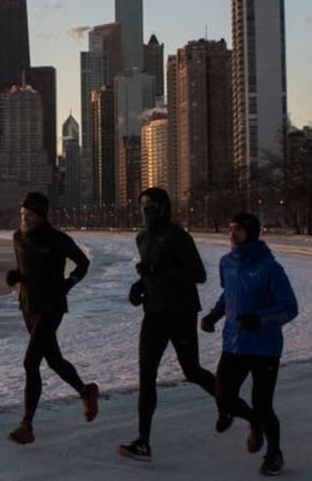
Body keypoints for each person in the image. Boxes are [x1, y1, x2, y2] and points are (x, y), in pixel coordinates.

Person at [117, 187, 246, 462]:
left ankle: (240, 410)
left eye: (152, 204)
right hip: (153, 314)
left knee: (193, 371)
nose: (146, 209)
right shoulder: (142, 237)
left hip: (180, 312)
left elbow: (198, 274)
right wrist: (138, 286)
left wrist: (158, 272)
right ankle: (143, 442)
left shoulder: (177, 236)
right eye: (143, 205)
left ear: (164, 207)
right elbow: (150, 273)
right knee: (146, 377)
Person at [200, 213, 298, 477]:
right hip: (233, 344)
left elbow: (290, 308)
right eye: (230, 229)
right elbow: (228, 294)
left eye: (239, 230)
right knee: (223, 396)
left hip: (264, 347)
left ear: (252, 233)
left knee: (263, 404)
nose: (232, 234)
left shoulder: (270, 268)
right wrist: (214, 315)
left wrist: (260, 320)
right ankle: (252, 421)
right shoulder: (226, 263)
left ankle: (274, 453)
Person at [5, 191, 100, 445]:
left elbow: (83, 264)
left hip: (52, 307)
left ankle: (27, 425)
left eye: (30, 215)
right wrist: (15, 277)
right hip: (28, 307)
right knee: (54, 360)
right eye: (22, 215)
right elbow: (24, 270)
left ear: (42, 216)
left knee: (30, 362)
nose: (25, 219)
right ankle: (85, 391)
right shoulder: (18, 238)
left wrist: (69, 283)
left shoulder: (57, 239)